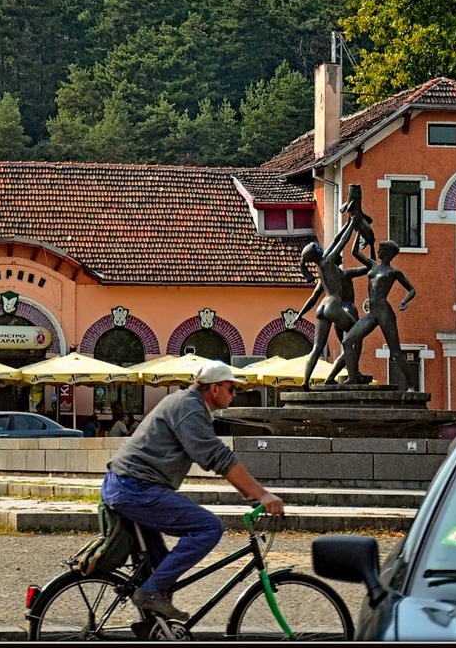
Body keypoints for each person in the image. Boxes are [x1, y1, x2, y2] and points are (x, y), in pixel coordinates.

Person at [100, 360, 285, 620]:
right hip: (135, 488)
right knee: (208, 528)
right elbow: (217, 457)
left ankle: (153, 628)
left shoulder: (187, 404)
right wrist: (262, 494)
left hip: (126, 485)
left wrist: (247, 491)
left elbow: (214, 457)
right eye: (232, 389)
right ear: (214, 388)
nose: (234, 395)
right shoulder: (189, 408)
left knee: (161, 566)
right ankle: (150, 593)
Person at [293, 217, 370, 389]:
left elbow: (313, 298)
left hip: (321, 308)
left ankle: (305, 381)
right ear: (316, 253)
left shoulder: (322, 272)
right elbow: (340, 242)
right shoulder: (327, 262)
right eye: (317, 247)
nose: (321, 247)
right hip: (334, 306)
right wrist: (352, 224)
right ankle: (352, 375)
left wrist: (300, 315)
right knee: (355, 337)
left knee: (317, 348)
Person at [340, 236, 417, 389]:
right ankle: (352, 377)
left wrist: (404, 301)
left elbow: (412, 289)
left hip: (384, 312)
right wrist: (358, 232)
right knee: (347, 341)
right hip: (372, 313)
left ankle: (412, 385)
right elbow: (354, 252)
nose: (378, 251)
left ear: (388, 253)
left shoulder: (394, 272)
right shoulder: (373, 265)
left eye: (381, 249)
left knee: (395, 352)